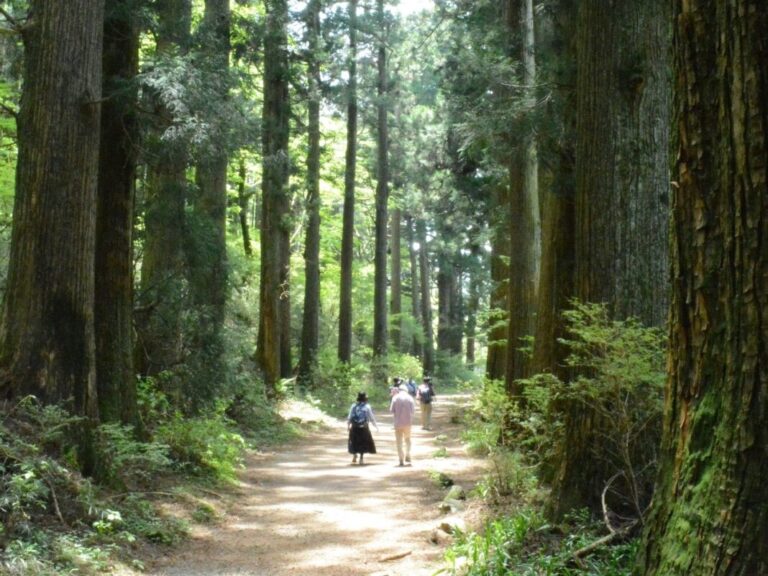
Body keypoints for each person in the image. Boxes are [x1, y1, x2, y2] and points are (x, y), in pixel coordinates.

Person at [347, 392, 379, 465]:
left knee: (354, 441)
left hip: (354, 427)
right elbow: (371, 418)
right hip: (364, 427)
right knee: (363, 442)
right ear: (365, 399)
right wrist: (376, 426)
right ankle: (361, 458)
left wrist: (348, 426)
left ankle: (354, 455)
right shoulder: (367, 406)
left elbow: (349, 417)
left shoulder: (353, 406)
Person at [390, 383, 415, 466]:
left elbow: (392, 410)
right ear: (406, 390)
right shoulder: (410, 398)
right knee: (408, 440)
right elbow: (412, 411)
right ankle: (408, 454)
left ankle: (401, 459)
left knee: (399, 442)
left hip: (397, 424)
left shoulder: (395, 398)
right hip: (408, 423)